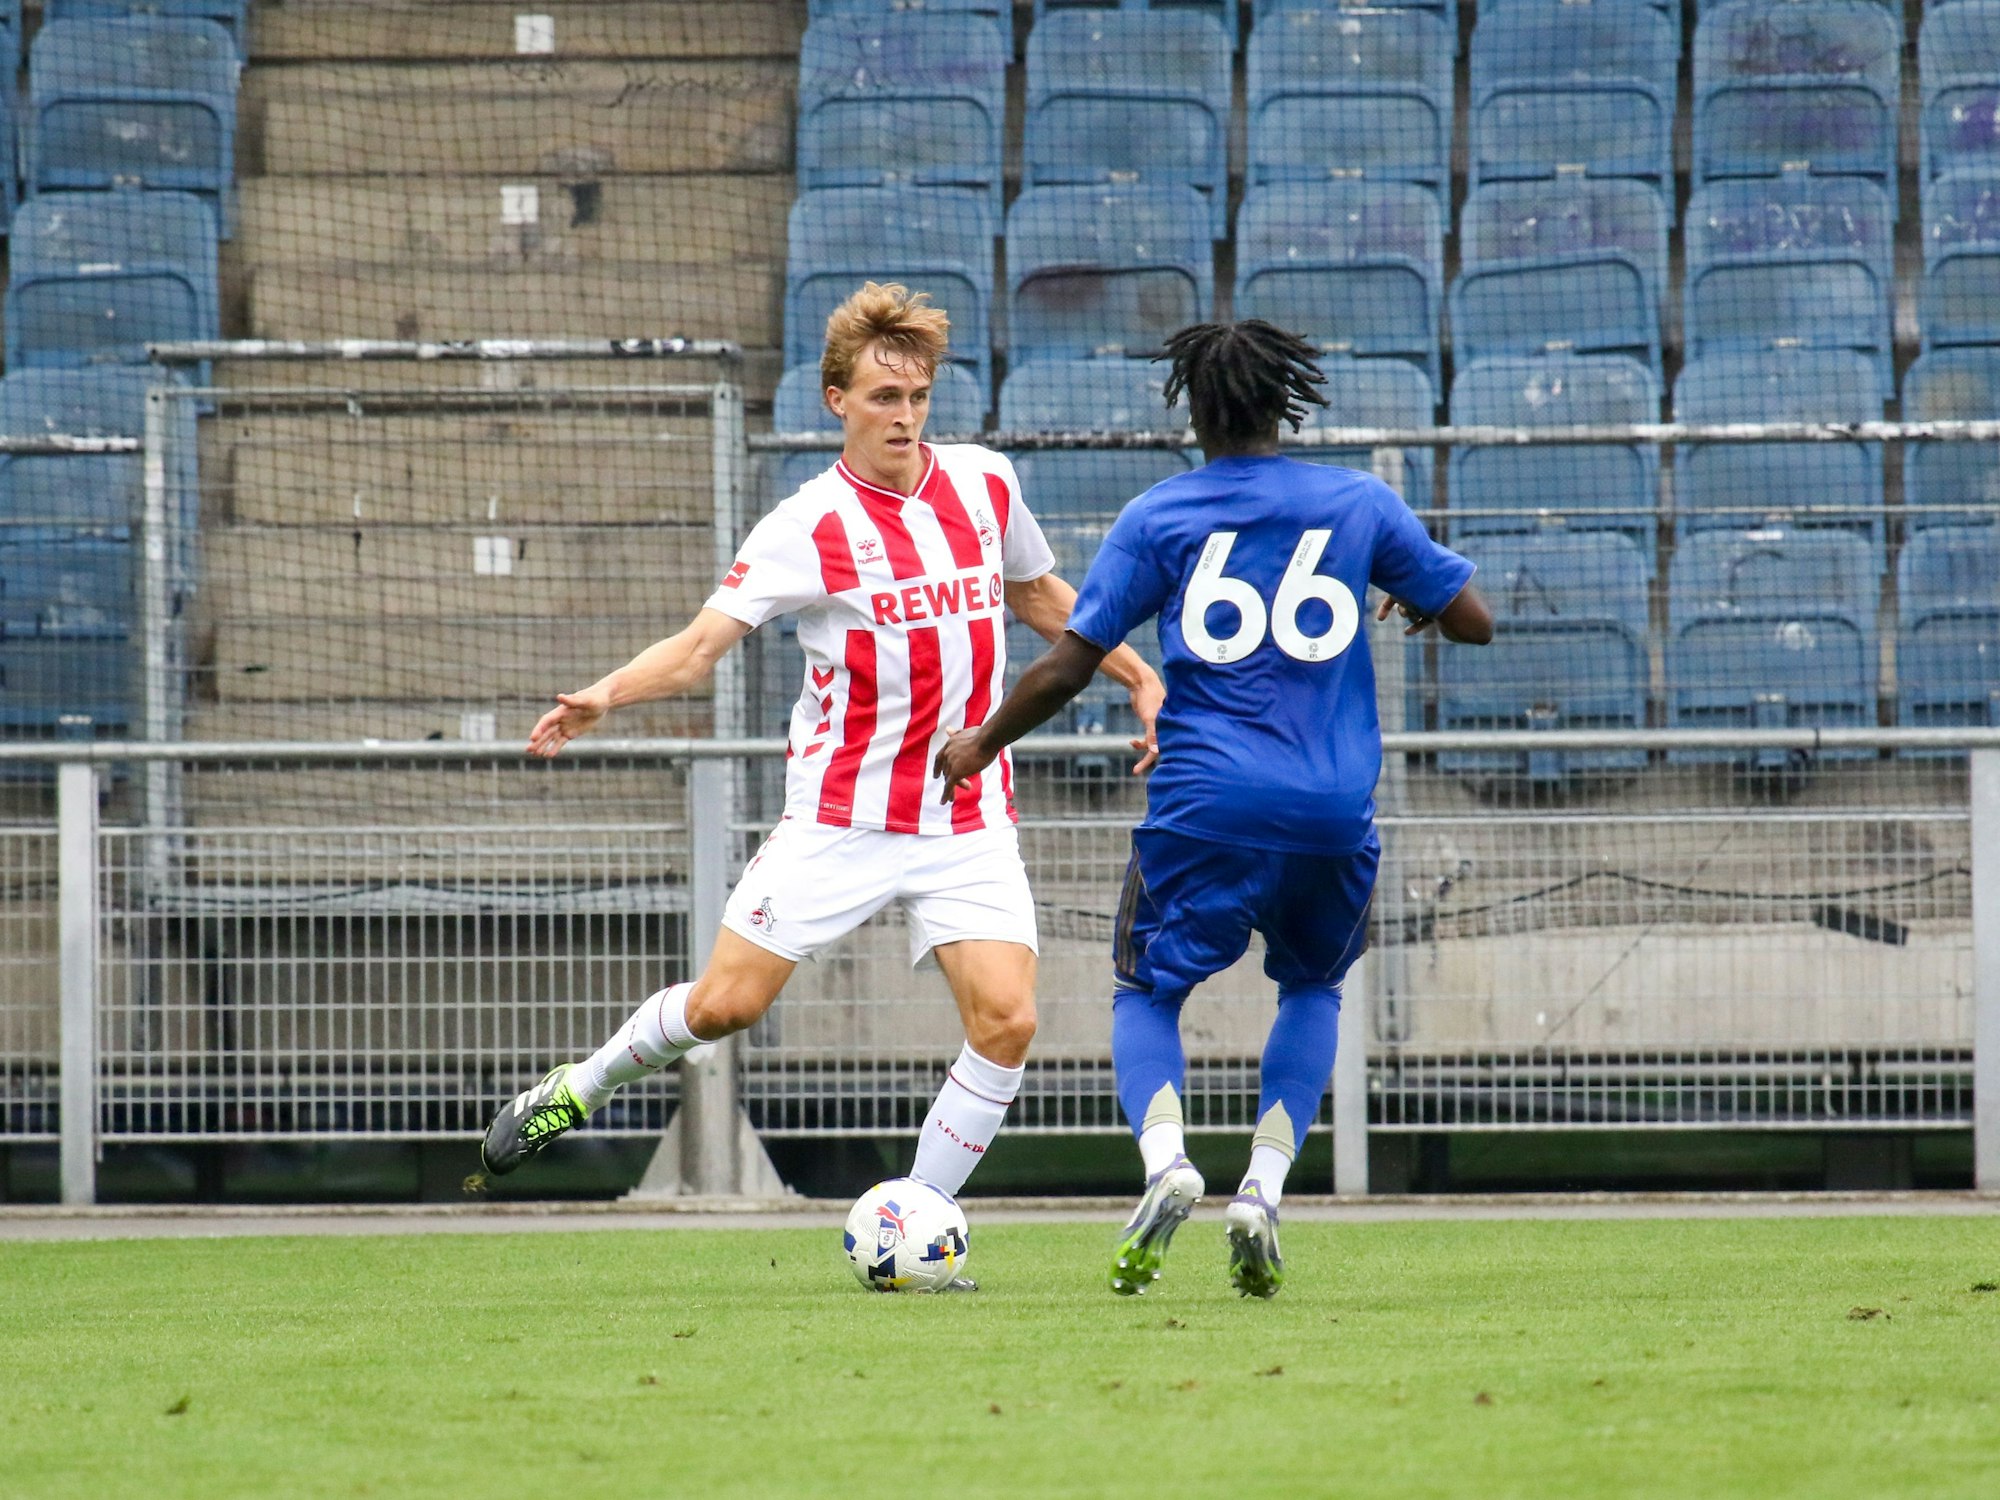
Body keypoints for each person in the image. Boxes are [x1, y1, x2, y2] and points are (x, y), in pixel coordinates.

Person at [479, 283, 1165, 1263]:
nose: (903, 416)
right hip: (840, 817)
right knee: (724, 1006)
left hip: (965, 817)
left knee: (1008, 1021)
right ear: (835, 399)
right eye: (883, 398)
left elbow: (1039, 593)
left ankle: (909, 1224)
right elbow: (697, 649)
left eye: (917, 396)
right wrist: (602, 697)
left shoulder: (982, 485)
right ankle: (576, 1088)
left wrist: (1137, 673)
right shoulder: (805, 526)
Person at [935, 319, 1491, 1298]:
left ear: (1190, 410)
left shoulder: (1159, 517)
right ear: (1286, 403)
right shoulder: (1358, 501)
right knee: (1310, 989)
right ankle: (1262, 1191)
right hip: (1328, 810)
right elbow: (1474, 622)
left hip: (1204, 803)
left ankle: (1166, 1167)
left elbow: (1069, 661)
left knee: (1146, 993)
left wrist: (981, 741)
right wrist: (1418, 600)